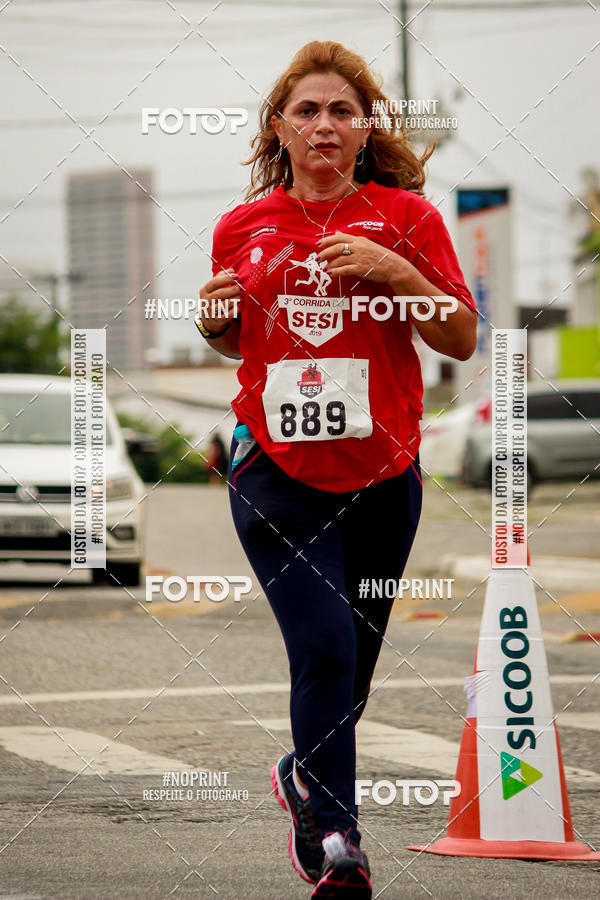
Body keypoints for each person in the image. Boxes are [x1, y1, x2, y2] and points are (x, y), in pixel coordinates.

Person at [196, 40, 477, 899]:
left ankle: (301, 774)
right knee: (320, 650)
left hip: (384, 476)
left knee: (351, 665)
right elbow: (236, 337)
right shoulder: (243, 226)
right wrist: (213, 323)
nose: (324, 124)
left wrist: (394, 271)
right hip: (273, 470)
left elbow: (461, 336)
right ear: (278, 128)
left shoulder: (408, 219)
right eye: (307, 110)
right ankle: (337, 837)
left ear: (364, 130)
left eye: (341, 111)